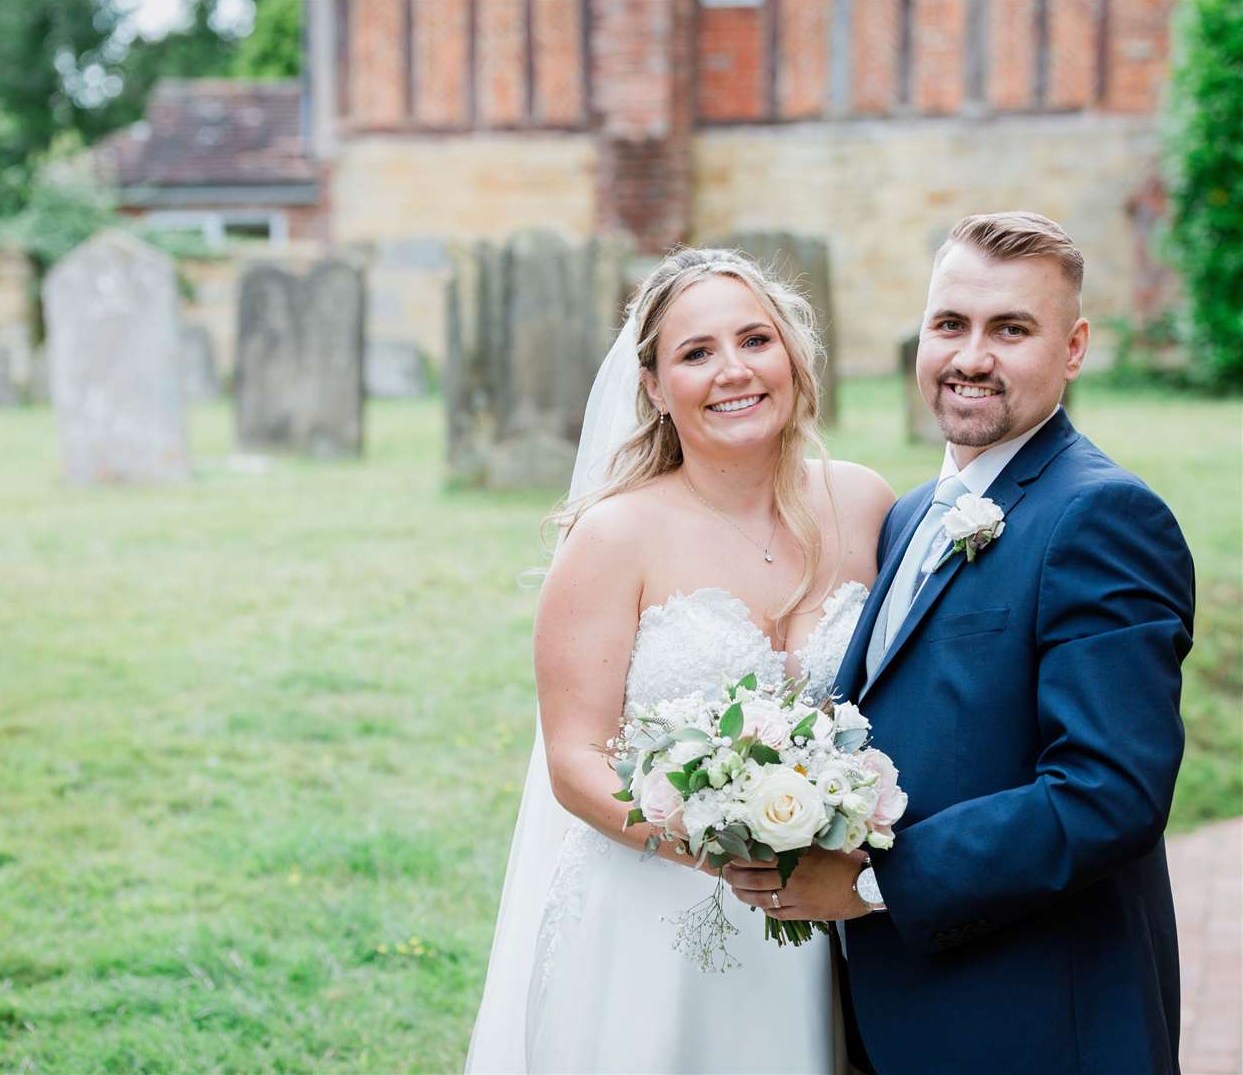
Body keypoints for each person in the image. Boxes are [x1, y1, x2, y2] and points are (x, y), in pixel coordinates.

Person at [726, 212, 1195, 1073]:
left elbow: (1109, 792)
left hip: (1038, 1019)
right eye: (951, 324)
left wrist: (872, 880)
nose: (970, 357)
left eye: (1010, 329)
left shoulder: (1102, 516)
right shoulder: (909, 515)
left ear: (1075, 347)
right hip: (904, 1012)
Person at [464, 247, 895, 1074]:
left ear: (793, 356)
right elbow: (573, 758)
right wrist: (726, 847)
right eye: (697, 354)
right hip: (650, 918)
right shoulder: (613, 537)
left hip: (821, 922)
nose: (733, 370)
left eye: (755, 341)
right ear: (657, 388)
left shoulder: (865, 503)